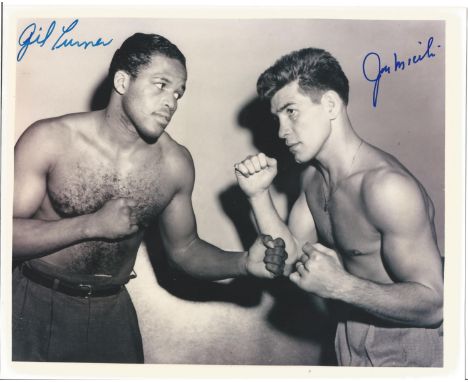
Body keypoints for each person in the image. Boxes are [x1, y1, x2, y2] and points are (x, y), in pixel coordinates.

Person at [12, 33, 286, 363]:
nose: (171, 101)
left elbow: (184, 250)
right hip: (34, 300)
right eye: (161, 84)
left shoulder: (174, 164)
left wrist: (242, 263)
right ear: (123, 81)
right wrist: (90, 225)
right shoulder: (49, 140)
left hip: (111, 310)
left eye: (178, 93)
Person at [234, 47, 444, 367]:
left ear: (330, 105)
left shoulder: (386, 188)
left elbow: (434, 306)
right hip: (347, 334)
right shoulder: (312, 179)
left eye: (291, 111)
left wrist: (339, 285)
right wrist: (258, 195)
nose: (281, 131)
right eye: (277, 117)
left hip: (406, 341)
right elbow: (292, 258)